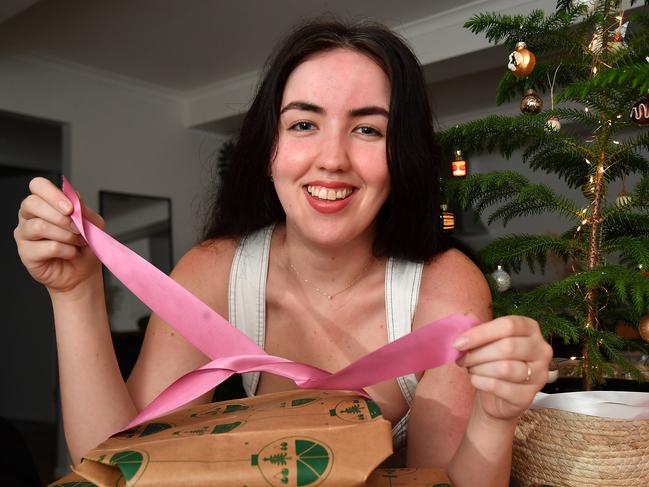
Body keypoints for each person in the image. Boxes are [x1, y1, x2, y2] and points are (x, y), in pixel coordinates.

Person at [14, 19, 552, 486]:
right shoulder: (214, 270)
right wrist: (74, 291)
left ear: (402, 155)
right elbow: (113, 458)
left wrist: (496, 416)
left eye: (367, 128)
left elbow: (446, 484)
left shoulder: (443, 288)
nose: (332, 159)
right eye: (303, 124)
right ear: (268, 148)